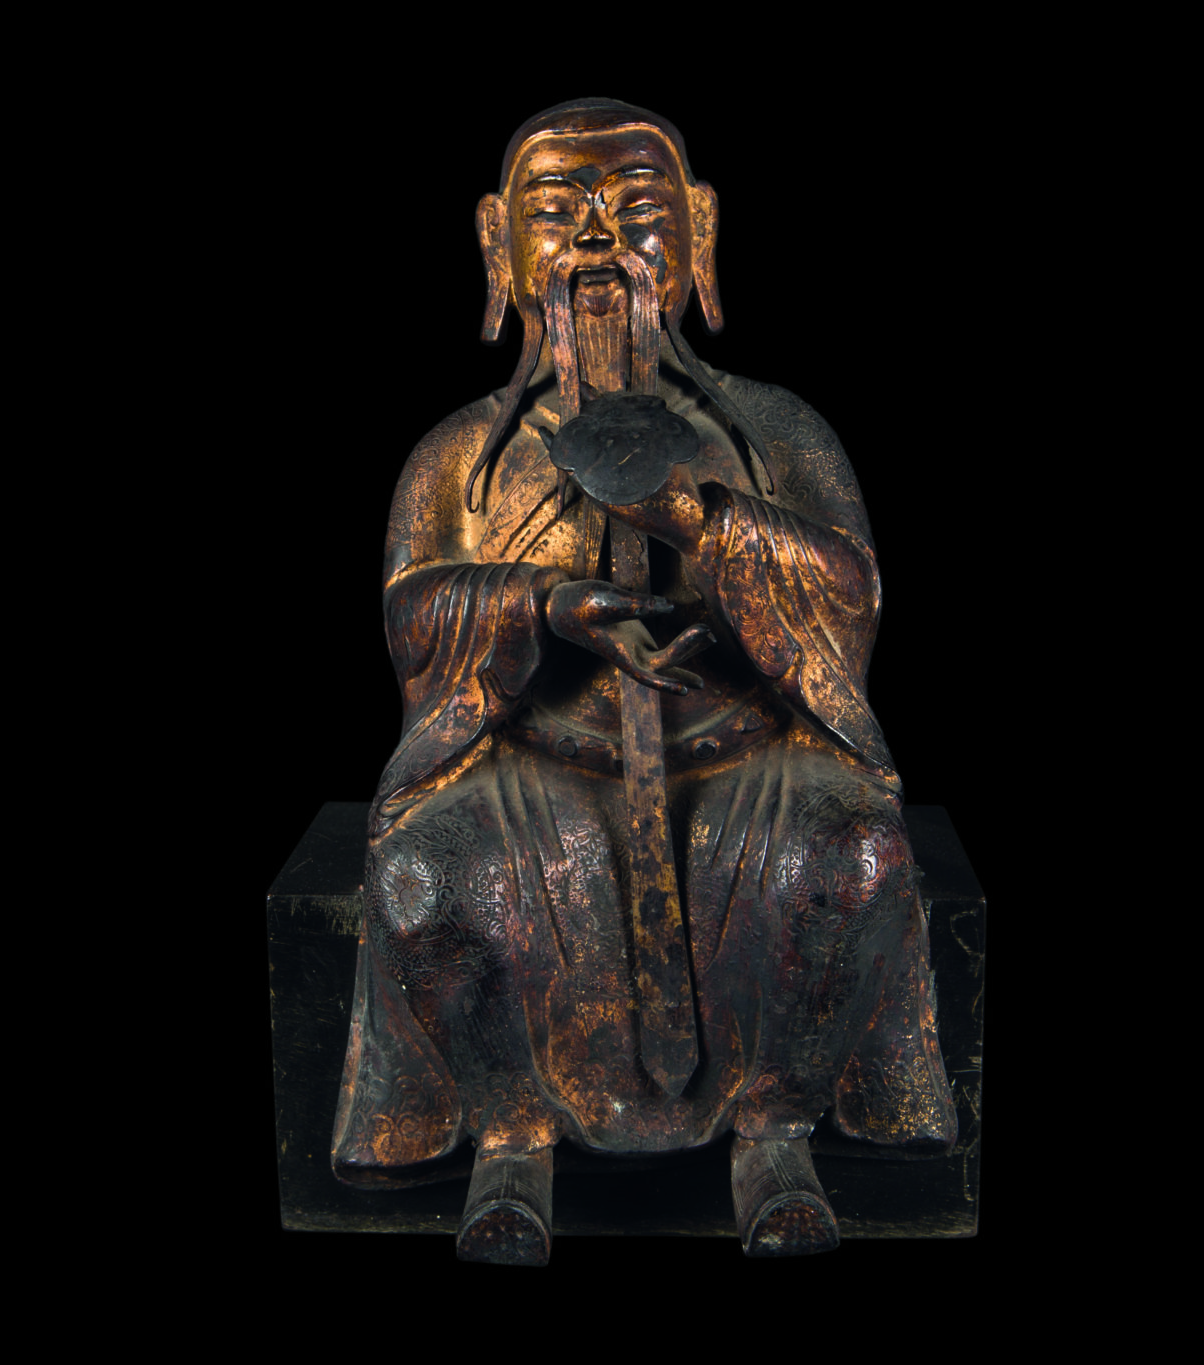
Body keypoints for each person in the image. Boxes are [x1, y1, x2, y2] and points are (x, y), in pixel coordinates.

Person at [332, 99, 955, 1263]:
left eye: (634, 208)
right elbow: (411, 614)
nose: (595, 238)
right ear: (496, 244)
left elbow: (848, 593)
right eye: (557, 209)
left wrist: (694, 519)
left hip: (741, 761)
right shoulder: (461, 456)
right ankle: (509, 1138)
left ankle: (775, 1130)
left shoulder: (771, 428)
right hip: (534, 764)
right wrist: (541, 606)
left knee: (851, 854)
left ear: (698, 232)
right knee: (428, 877)